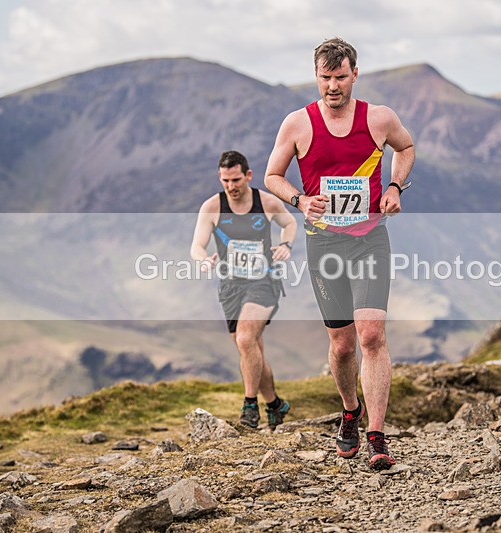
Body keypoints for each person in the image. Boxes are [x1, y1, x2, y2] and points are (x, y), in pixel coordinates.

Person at [264, 37, 414, 469]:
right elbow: (273, 175)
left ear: (355, 75)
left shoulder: (379, 118)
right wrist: (299, 199)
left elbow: (406, 148)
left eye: (341, 77)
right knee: (343, 344)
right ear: (316, 76)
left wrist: (393, 186)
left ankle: (377, 436)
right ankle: (351, 410)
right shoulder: (298, 124)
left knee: (371, 335)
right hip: (325, 243)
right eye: (325, 77)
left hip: (369, 238)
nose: (333, 86)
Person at [191, 150, 297, 430]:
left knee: (246, 338)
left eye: (236, 179)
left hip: (263, 282)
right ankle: (275, 404)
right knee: (250, 349)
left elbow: (289, 222)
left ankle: (250, 405)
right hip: (230, 287)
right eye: (225, 180)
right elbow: (197, 246)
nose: (231, 186)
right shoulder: (212, 207)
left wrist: (286, 245)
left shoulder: (266, 202)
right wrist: (204, 260)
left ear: (248, 175)